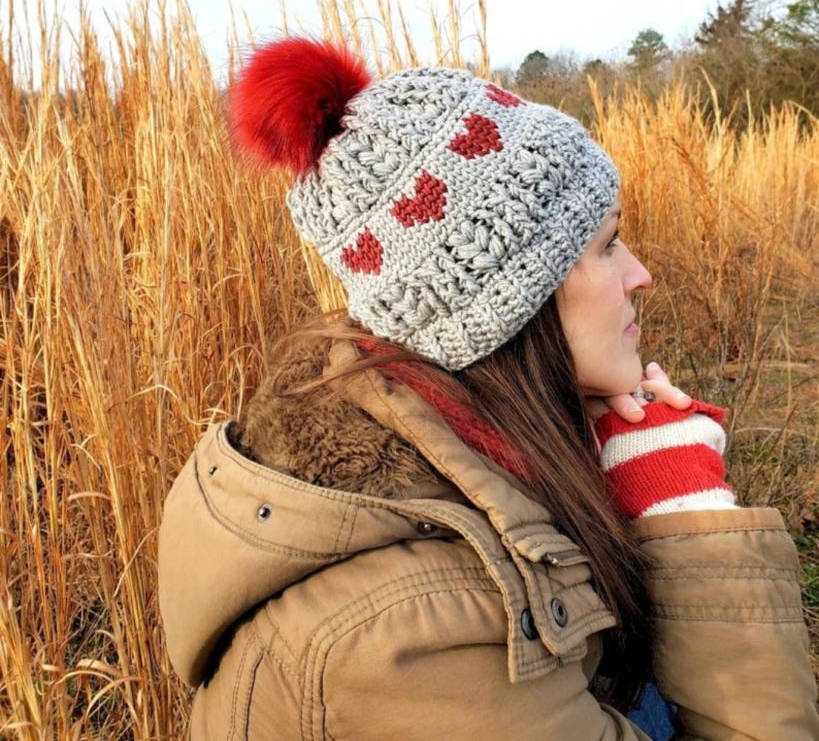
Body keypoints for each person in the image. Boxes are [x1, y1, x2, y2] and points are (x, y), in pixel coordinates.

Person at [157, 37, 819, 740]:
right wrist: (686, 512)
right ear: (509, 304)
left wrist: (582, 445)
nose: (641, 275)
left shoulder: (459, 440)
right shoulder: (419, 630)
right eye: (606, 245)